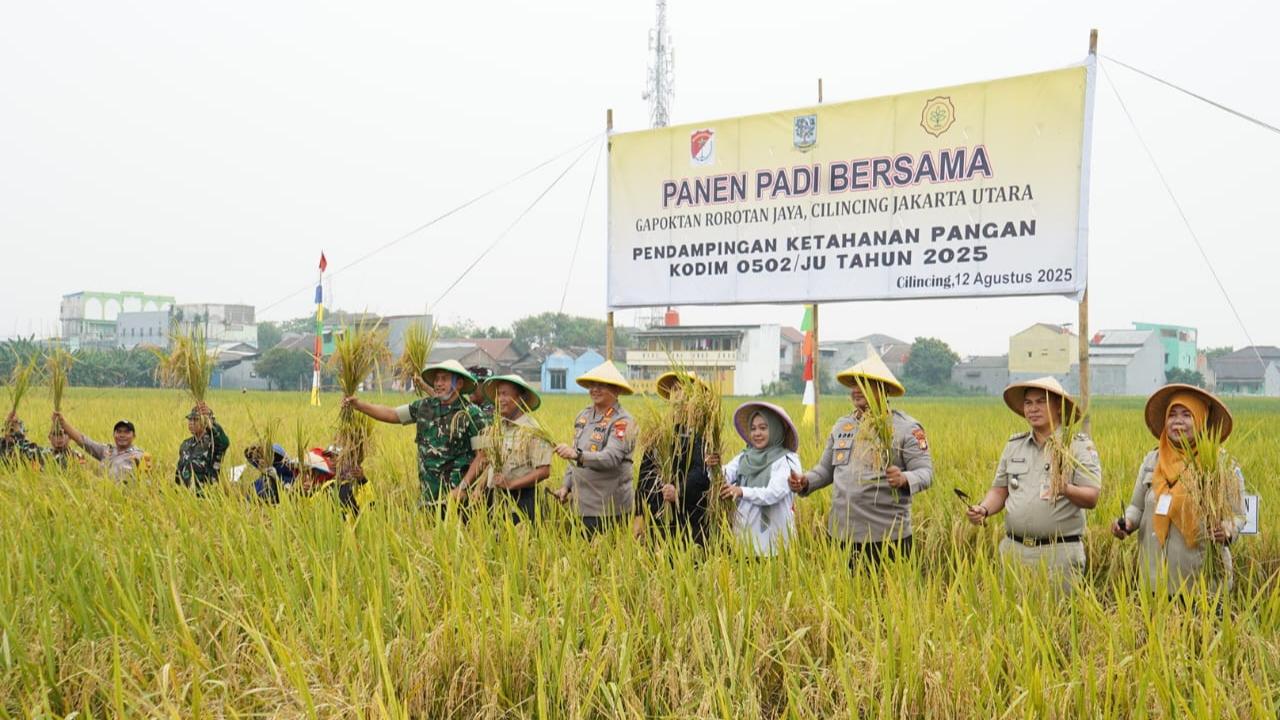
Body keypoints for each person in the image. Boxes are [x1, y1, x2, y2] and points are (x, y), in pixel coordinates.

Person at [789, 354, 932, 564]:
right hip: (841, 534)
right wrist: (805, 481)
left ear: (883, 388)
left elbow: (926, 472)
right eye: (854, 384)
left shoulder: (907, 428)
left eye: (864, 383)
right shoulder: (842, 426)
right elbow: (825, 471)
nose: (856, 389)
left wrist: (903, 478)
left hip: (888, 537)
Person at [1110, 383, 1247, 594]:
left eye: (1186, 414)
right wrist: (1126, 523)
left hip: (1202, 583)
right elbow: (1136, 508)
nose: (1178, 421)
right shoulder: (1152, 461)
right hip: (1155, 581)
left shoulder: (1220, 464)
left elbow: (1238, 516)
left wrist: (1227, 530)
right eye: (1172, 414)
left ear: (1201, 419)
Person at [965, 378, 1101, 583]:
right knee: (1010, 614)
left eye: (1041, 402)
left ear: (1057, 407)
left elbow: (1092, 497)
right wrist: (983, 509)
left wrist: (1065, 488)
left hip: (1059, 554)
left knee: (1059, 614)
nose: (1033, 409)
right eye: (1028, 403)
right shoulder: (1014, 446)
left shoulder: (1077, 446)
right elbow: (1000, 490)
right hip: (1014, 551)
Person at [343, 359, 486, 508]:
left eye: (444, 379)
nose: (438, 383)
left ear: (459, 384)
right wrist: (358, 405)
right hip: (427, 497)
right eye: (436, 379)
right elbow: (392, 414)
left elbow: (483, 456)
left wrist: (462, 487)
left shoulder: (473, 414)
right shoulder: (425, 406)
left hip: (458, 499)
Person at [551, 361, 638, 536]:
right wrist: (566, 487)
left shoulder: (623, 421)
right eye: (592, 385)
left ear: (616, 390)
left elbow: (611, 457)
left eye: (602, 385)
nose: (595, 389)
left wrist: (577, 455)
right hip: (580, 506)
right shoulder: (583, 416)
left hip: (608, 508)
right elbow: (574, 457)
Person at [636, 371, 720, 546]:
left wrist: (679, 491)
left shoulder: (705, 432)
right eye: (675, 389)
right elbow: (645, 474)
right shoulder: (659, 431)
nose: (680, 395)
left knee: (688, 564)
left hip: (692, 517)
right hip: (658, 514)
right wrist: (638, 514)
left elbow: (702, 473)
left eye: (687, 390)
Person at [457, 374, 552, 523]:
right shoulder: (495, 428)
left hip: (522, 499)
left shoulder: (532, 430)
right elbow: (482, 458)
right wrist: (464, 486)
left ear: (520, 398)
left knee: (517, 542)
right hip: (493, 497)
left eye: (505, 394)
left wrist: (511, 484)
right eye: (498, 395)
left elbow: (544, 471)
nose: (500, 399)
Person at [721, 402, 799, 556]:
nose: (757, 433)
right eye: (753, 428)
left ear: (776, 429)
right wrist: (713, 466)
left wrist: (742, 491)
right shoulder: (745, 457)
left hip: (775, 545)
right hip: (745, 541)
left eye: (763, 428)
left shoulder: (787, 460)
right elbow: (724, 475)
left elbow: (774, 493)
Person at [52, 413, 149, 481]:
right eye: (119, 431)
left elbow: (146, 483)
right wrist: (63, 423)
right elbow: (82, 440)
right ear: (114, 434)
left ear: (134, 436)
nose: (122, 435)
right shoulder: (107, 450)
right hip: (102, 495)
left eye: (126, 432)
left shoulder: (139, 455)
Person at [174, 402, 230, 495]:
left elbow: (224, 442)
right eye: (190, 419)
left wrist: (212, 424)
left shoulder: (213, 444)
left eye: (195, 419)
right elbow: (179, 471)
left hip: (206, 496)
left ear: (205, 422)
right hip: (185, 496)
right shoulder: (185, 444)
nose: (191, 423)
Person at [1, 413, 86, 470]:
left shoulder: (77, 456)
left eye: (65, 433)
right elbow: (25, 450)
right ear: (50, 437)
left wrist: (18, 434)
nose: (61, 438)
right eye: (56, 434)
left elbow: (61, 462)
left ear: (71, 436)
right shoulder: (44, 452)